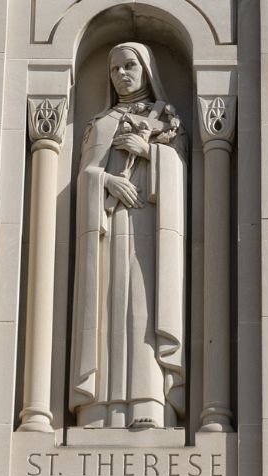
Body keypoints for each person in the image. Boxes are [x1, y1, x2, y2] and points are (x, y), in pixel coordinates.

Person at [70, 42, 187, 429]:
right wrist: (106, 182)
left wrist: (151, 152)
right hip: (106, 236)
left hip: (151, 235)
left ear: (146, 69)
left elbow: (186, 176)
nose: (122, 74)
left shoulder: (165, 122)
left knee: (144, 309)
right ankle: (99, 408)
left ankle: (150, 404)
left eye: (130, 66)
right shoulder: (102, 124)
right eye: (115, 68)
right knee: (105, 311)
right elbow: (86, 175)